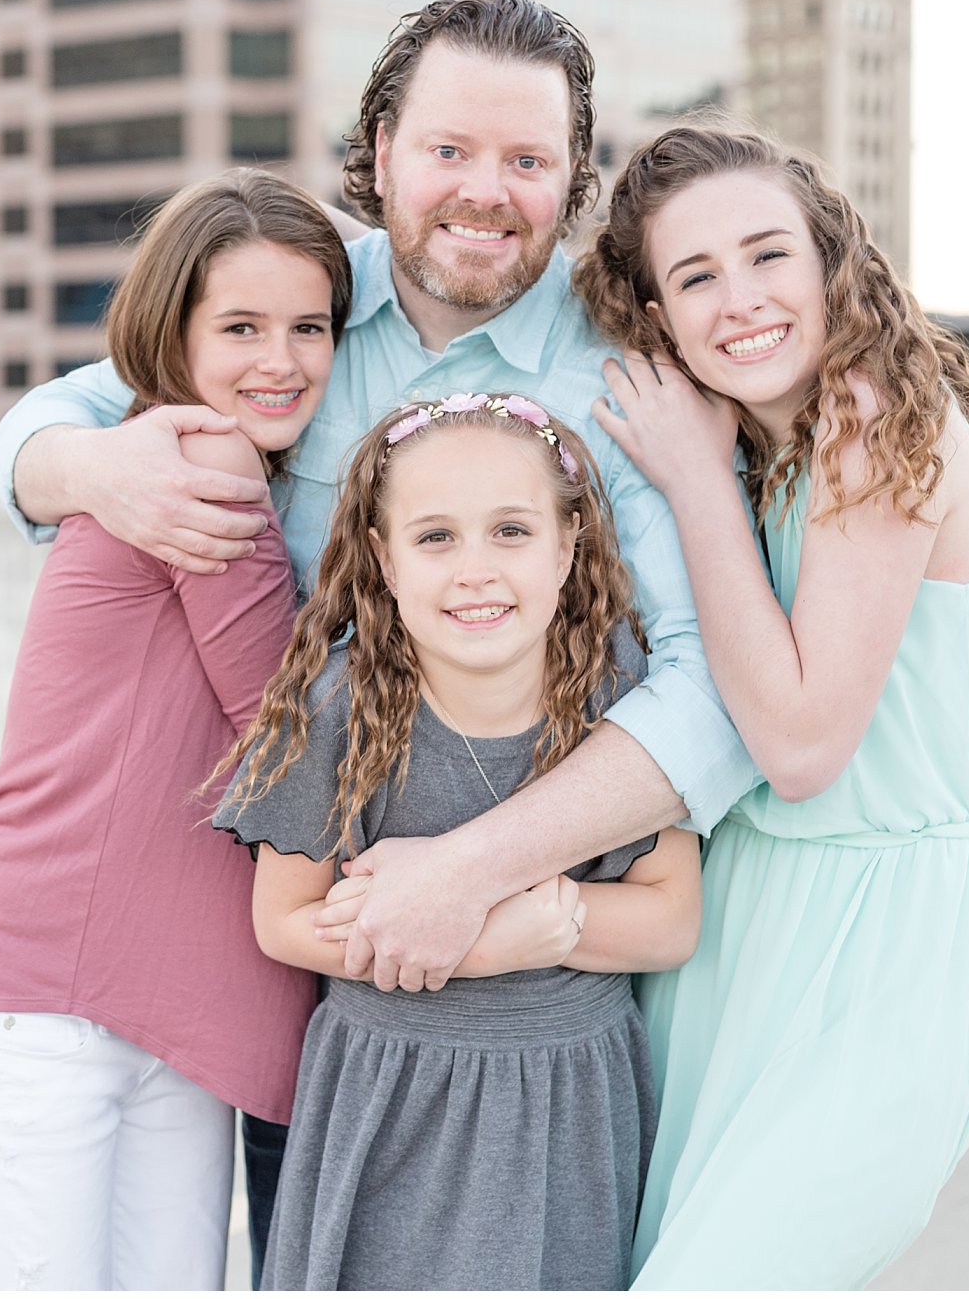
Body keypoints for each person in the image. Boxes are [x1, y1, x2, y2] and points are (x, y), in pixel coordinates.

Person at [0, 0, 753, 1003]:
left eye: (525, 161)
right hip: (299, 949)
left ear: (571, 176)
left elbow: (710, 684)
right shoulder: (300, 308)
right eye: (449, 151)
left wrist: (467, 874)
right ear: (383, 151)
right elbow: (59, 413)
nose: (484, 193)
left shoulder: (626, 381)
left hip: (540, 977)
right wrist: (91, 469)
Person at [572, 117, 969, 1288]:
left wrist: (690, 479)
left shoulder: (876, 420)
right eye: (694, 276)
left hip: (879, 953)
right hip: (726, 942)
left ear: (830, 258)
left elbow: (796, 742)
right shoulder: (754, 451)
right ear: (655, 318)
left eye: (766, 253)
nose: (739, 299)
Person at [0, 169, 350, 1290]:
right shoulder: (199, 456)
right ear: (172, 333)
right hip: (39, 1010)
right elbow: (280, 730)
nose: (280, 360)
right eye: (240, 327)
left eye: (308, 327)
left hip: (171, 1019)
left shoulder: (184, 454)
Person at [212, 393, 702, 1290]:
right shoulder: (336, 709)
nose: (475, 569)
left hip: (566, 1106)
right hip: (390, 1098)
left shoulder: (616, 699)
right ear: (385, 562)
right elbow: (284, 920)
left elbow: (670, 919)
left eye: (510, 531)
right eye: (436, 537)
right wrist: (490, 947)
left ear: (568, 549)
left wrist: (502, 912)